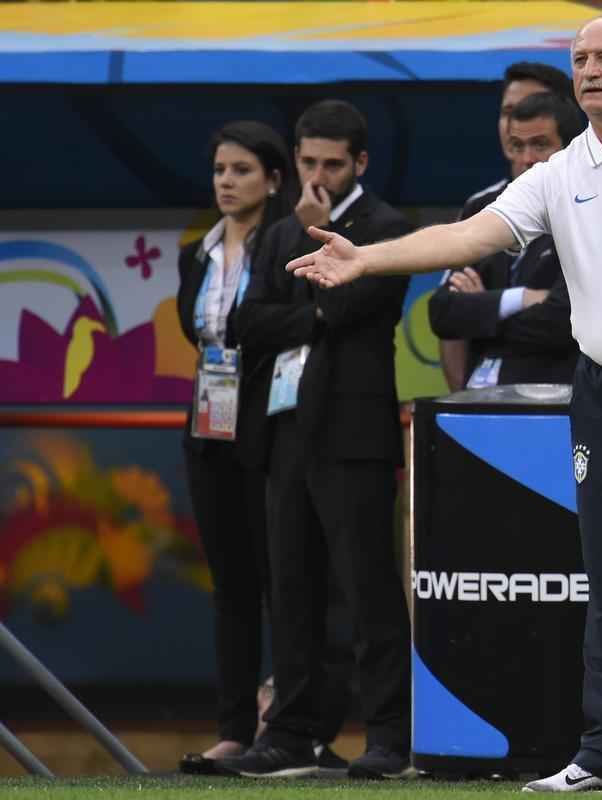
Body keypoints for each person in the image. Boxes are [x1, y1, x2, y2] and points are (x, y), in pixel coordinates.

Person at [286, 15, 602, 795]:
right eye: (579, 60)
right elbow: (467, 238)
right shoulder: (561, 173)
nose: (589, 71)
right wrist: (365, 257)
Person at [216, 99, 414, 780]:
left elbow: (351, 304)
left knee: (366, 590)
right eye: (308, 163)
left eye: (333, 163)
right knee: (291, 588)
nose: (319, 176)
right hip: (284, 428)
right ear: (294, 159)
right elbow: (248, 322)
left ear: (360, 162)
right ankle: (291, 731)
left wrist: (319, 239)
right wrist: (309, 309)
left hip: (353, 432)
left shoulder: (385, 227)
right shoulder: (278, 232)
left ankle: (389, 734)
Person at [174, 120, 297, 775]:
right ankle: (232, 725)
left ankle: (286, 721)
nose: (227, 181)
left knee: (283, 578)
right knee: (231, 585)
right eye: (221, 169)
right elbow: (198, 334)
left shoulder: (285, 244)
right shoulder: (196, 252)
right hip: (207, 424)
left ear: (273, 180)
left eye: (243, 170)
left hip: (270, 425)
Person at [428, 91, 584, 387]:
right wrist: (521, 299)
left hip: (549, 402)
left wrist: (480, 310)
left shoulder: (586, 213)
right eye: (517, 146)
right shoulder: (484, 208)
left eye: (539, 145)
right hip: (480, 403)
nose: (526, 159)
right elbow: (442, 312)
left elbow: (562, 321)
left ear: (569, 149)